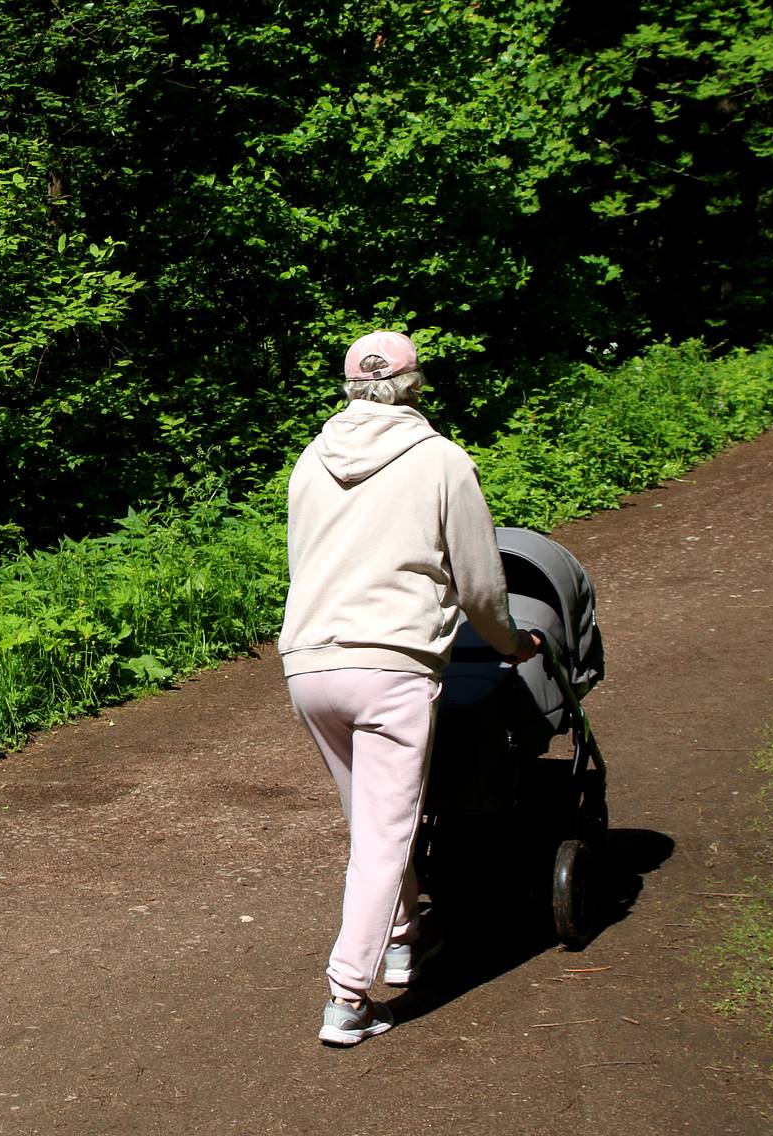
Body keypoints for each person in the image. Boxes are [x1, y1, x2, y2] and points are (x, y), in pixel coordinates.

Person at [280, 330, 538, 1047]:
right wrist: (514, 643)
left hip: (310, 665)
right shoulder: (440, 461)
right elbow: (482, 583)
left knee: (371, 828)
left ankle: (401, 937)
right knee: (384, 837)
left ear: (349, 387)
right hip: (390, 664)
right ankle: (349, 999)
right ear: (416, 385)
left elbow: (305, 560)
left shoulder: (310, 461)